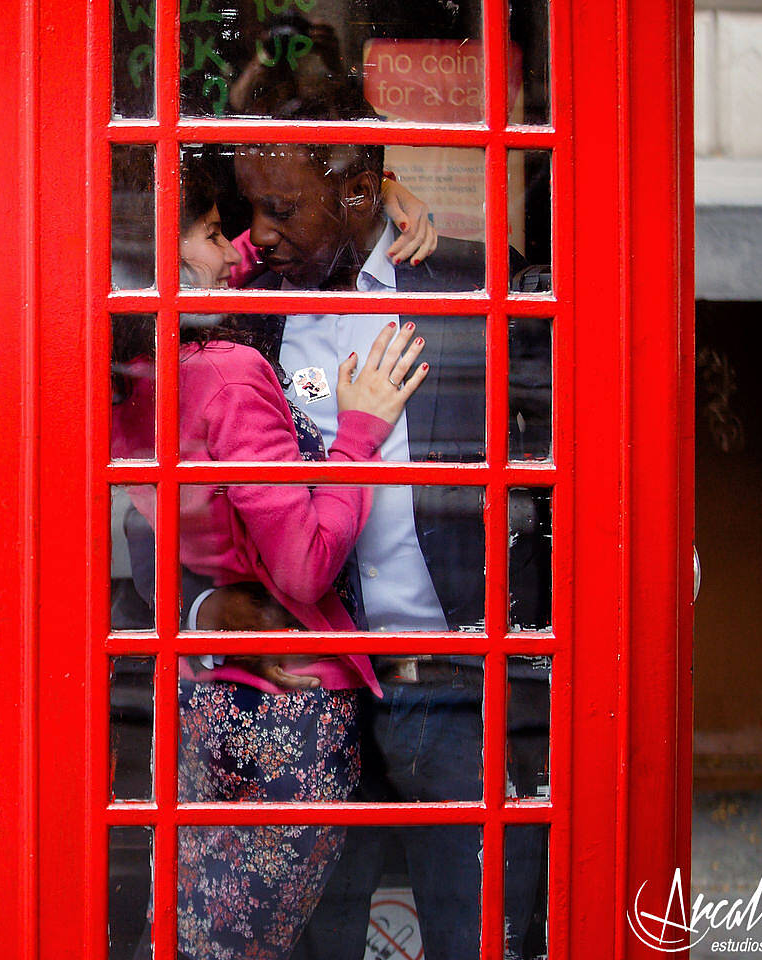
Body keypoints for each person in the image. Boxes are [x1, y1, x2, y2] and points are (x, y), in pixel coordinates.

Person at [184, 76, 551, 960]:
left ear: (355, 192)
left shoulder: (475, 287)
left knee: (477, 931)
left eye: (281, 209)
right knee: (316, 941)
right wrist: (208, 616)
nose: (261, 233)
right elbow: (175, 511)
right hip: (312, 700)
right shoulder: (248, 318)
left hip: (457, 689)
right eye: (250, 210)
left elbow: (560, 482)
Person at [110, 155, 433, 960]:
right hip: (295, 710)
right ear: (164, 257)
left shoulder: (129, 378)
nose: (236, 250)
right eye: (217, 234)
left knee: (207, 935)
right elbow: (303, 568)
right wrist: (358, 429)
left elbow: (262, 244)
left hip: (208, 697)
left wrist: (373, 198)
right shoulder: (229, 373)